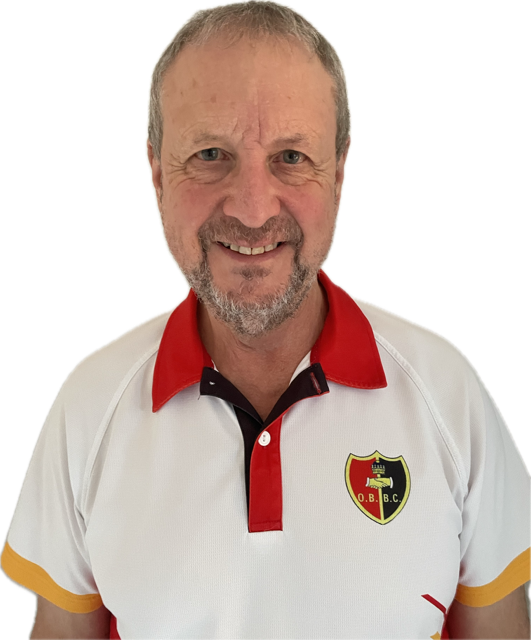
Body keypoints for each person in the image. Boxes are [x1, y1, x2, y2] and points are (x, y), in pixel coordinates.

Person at [2, 1, 530, 638]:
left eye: (291, 157)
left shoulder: (451, 397)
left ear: (339, 171)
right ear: (156, 172)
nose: (252, 210)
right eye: (210, 154)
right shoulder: (89, 407)